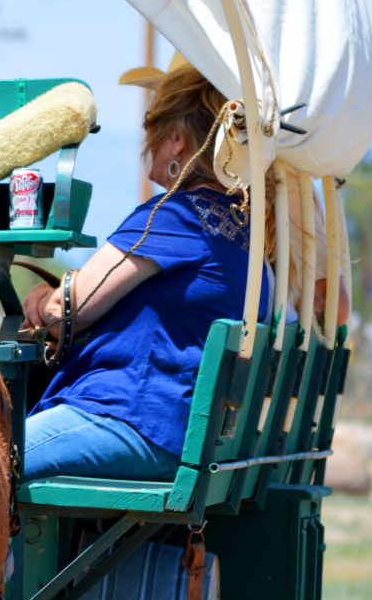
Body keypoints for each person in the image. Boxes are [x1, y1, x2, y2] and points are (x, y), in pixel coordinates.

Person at [19, 62, 275, 482]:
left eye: (150, 123)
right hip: (179, 433)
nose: (145, 136)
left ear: (177, 139)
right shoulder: (246, 234)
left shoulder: (175, 215)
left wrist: (37, 301)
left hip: (131, 420)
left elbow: (74, 306)